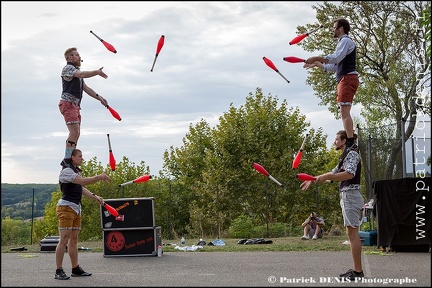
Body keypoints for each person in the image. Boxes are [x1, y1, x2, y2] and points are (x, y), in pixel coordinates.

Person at [300, 130, 364, 281]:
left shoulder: (352, 154)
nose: (334, 142)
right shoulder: (344, 157)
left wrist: (328, 176)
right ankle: (356, 270)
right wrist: (312, 178)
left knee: (352, 235)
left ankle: (357, 272)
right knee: (351, 234)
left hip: (351, 196)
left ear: (343, 141)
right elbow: (332, 174)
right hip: (347, 196)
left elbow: (349, 174)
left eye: (336, 139)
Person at [303, 18, 359, 156]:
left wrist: (317, 57)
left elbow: (336, 57)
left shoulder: (345, 41)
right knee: (343, 111)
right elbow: (334, 67)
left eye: (334, 27)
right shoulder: (342, 43)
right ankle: (351, 142)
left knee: (344, 112)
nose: (332, 30)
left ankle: (351, 143)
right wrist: (317, 63)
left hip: (347, 79)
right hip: (344, 79)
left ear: (341, 29)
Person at [55, 148, 111, 280]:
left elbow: (81, 188)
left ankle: (75, 268)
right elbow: (83, 181)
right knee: (63, 240)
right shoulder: (66, 171)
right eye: (80, 156)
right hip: (66, 208)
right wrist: (99, 177)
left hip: (76, 208)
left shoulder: (75, 171)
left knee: (73, 239)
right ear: (72, 158)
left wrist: (95, 197)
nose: (82, 158)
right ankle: (58, 270)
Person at [59, 47, 109, 168]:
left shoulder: (76, 73)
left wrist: (100, 98)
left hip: (75, 105)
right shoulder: (68, 68)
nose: (79, 57)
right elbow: (82, 74)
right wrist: (96, 72)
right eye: (77, 55)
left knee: (77, 133)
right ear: (70, 57)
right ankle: (67, 159)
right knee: (74, 132)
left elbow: (86, 89)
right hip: (68, 103)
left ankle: (71, 158)